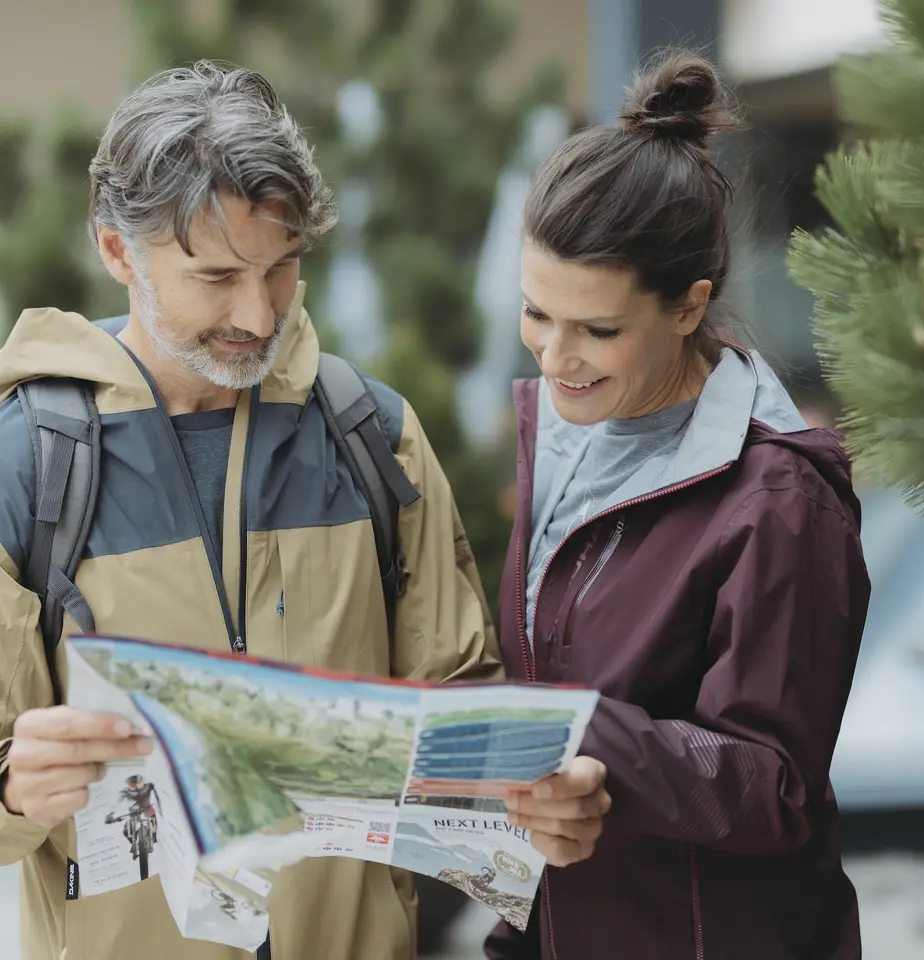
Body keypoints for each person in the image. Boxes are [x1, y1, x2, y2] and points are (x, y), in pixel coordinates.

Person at [0, 62, 607, 960]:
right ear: (117, 250)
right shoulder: (26, 463)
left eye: (283, 267)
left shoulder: (374, 435)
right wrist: (16, 791)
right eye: (216, 275)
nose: (259, 311)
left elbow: (459, 716)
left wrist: (537, 799)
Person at [489, 52, 870, 960]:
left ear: (690, 306)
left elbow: (775, 785)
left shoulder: (778, 502)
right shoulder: (562, 437)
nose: (555, 355)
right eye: (536, 313)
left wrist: (578, 730)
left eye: (599, 329)